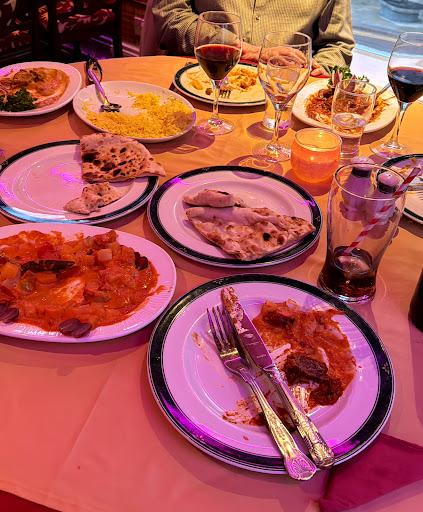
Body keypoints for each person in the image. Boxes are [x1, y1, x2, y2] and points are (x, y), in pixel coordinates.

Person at [144, 0, 355, 76]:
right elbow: (171, 16)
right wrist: (241, 49)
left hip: (283, 98)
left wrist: (314, 73)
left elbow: (337, 45)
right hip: (202, 79)